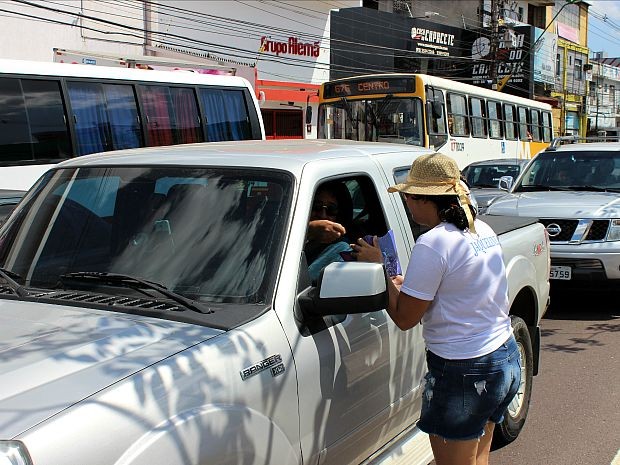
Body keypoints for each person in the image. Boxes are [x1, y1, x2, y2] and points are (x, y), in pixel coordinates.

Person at [354, 153, 520, 465]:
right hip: (502, 357)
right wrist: (410, 285)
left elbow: (404, 318)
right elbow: (461, 289)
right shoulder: (480, 230)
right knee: (477, 458)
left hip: (464, 371)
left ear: (422, 199)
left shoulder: (433, 243)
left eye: (408, 196)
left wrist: (379, 269)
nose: (406, 202)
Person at [304, 181, 353, 282]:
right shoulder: (281, 232)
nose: (323, 215)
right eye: (316, 207)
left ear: (340, 214)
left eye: (331, 209)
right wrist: (307, 232)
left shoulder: (341, 249)